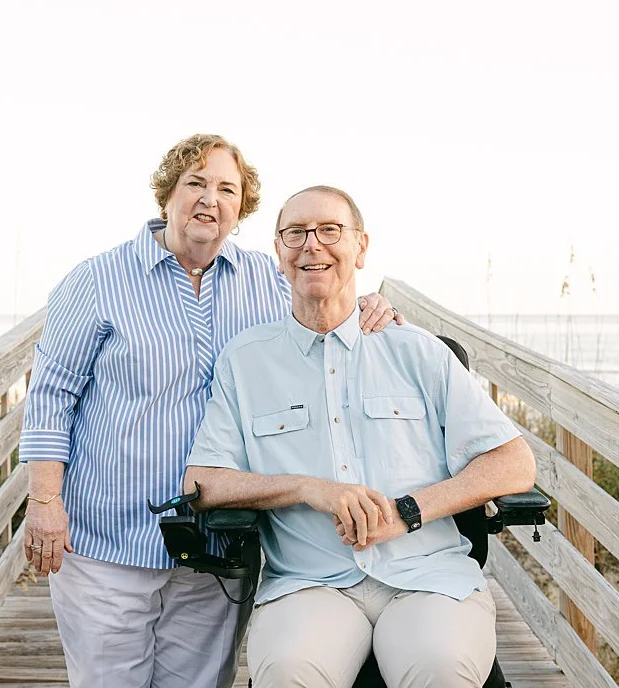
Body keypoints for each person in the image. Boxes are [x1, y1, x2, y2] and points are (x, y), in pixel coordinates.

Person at [18, 136, 399, 688]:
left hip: (218, 543)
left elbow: (325, 314)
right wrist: (45, 501)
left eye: (227, 189)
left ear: (241, 208)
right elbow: (51, 396)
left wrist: (373, 308)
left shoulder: (268, 283)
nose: (209, 199)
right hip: (109, 539)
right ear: (167, 194)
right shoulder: (98, 281)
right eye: (195, 183)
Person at [183, 185, 536, 688]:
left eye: (330, 230)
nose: (312, 245)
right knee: (287, 672)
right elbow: (203, 483)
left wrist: (406, 512)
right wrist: (309, 489)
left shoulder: (418, 352)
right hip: (310, 583)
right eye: (295, 233)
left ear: (361, 247)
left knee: (440, 664)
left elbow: (514, 463)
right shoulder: (246, 361)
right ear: (278, 253)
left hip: (427, 577)